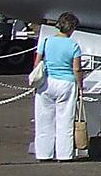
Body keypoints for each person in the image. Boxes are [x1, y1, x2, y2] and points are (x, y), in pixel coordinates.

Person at [34, 13, 86, 162]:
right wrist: (80, 84)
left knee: (44, 119)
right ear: (72, 28)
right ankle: (64, 154)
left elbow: (37, 63)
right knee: (65, 120)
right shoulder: (74, 45)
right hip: (66, 83)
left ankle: (44, 153)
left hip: (47, 82)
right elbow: (76, 69)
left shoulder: (46, 41)